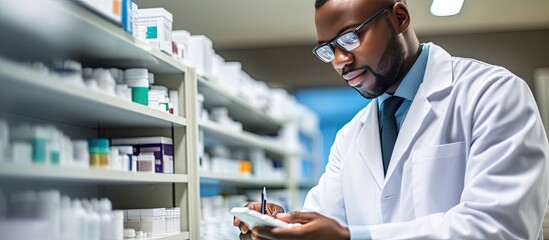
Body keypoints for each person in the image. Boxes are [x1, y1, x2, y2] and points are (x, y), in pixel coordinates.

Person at [233, 0, 549, 239]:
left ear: (399, 18)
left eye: (350, 38)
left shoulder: (492, 94)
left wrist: (353, 237)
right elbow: (324, 220)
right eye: (328, 50)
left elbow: (500, 227)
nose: (341, 61)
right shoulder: (349, 137)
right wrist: (282, 224)